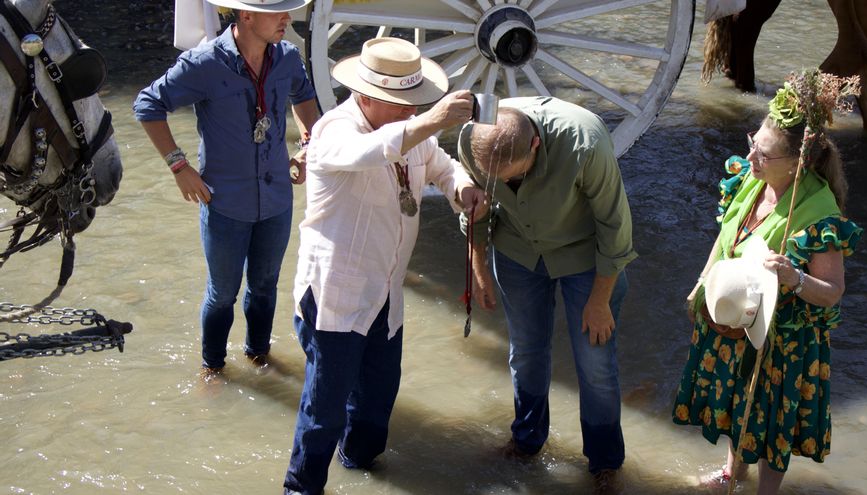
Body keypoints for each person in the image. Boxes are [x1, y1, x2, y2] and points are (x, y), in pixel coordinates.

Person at [282, 37, 486, 494]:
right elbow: (368, 153)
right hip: (336, 296)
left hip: (385, 295)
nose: (410, 113)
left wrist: (462, 189)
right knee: (324, 412)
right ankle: (301, 488)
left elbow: (441, 164)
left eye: (415, 105)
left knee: (376, 403)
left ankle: (359, 468)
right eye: (401, 105)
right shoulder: (333, 131)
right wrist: (434, 118)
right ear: (367, 96)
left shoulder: (412, 129)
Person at [673, 69, 863, 494]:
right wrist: (701, 288)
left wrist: (795, 277)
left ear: (798, 164)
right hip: (739, 316)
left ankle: (765, 492)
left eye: (764, 154)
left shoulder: (819, 213)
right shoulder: (750, 179)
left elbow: (832, 294)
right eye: (753, 145)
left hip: (786, 340)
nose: (753, 158)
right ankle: (732, 473)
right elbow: (725, 237)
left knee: (772, 416)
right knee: (739, 399)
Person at [133, 0, 320, 382]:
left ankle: (259, 356)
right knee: (222, 294)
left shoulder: (286, 58)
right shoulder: (203, 63)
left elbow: (304, 97)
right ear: (246, 16)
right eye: (279, 12)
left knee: (266, 286)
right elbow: (148, 104)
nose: (288, 18)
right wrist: (178, 166)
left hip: (276, 200)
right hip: (224, 204)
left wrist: (308, 143)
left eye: (289, 10)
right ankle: (212, 368)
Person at [457, 97, 637, 492]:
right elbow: (476, 208)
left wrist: (599, 299)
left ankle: (604, 463)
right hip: (518, 251)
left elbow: (615, 226)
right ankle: (526, 442)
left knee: (595, 364)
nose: (506, 185)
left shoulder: (586, 142)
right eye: (496, 178)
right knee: (525, 352)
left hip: (584, 256)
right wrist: (480, 269)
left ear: (535, 145)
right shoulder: (473, 138)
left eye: (513, 177)